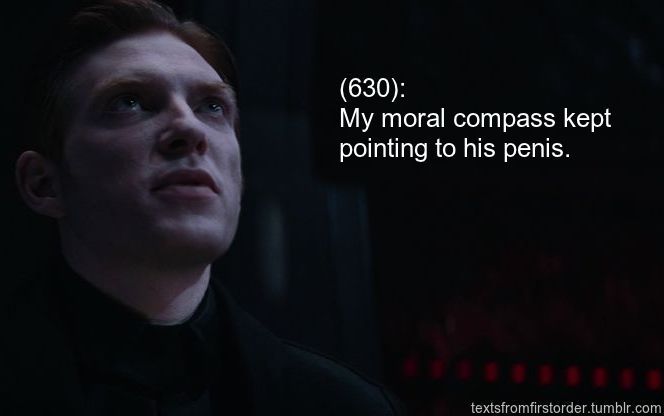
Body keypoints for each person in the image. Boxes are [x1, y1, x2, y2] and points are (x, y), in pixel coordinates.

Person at [4, 1, 404, 414]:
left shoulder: (347, 406)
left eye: (211, 106)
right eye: (129, 102)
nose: (189, 127)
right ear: (43, 184)